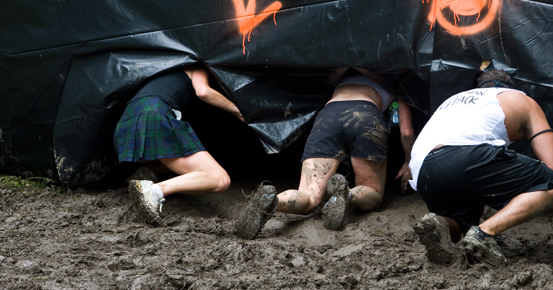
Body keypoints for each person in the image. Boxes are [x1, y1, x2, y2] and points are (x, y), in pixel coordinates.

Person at [408, 69, 553, 266]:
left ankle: (439, 224)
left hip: (423, 168)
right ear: (508, 87)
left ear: (479, 87)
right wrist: (549, 196)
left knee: (460, 221)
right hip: (465, 155)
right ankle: (484, 233)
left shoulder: (454, 100)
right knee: (551, 184)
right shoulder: (520, 99)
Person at [234, 70, 416, 239]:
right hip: (365, 115)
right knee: (373, 192)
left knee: (310, 195)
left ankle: (274, 200)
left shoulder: (343, 76)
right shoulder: (398, 82)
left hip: (329, 115)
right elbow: (406, 132)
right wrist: (408, 161)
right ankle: (347, 194)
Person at [115, 65, 245, 225]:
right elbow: (203, 91)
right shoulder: (195, 64)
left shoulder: (166, 66)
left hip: (127, 124)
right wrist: (239, 111)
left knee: (179, 158)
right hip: (154, 118)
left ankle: (149, 172)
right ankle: (156, 190)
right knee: (220, 179)